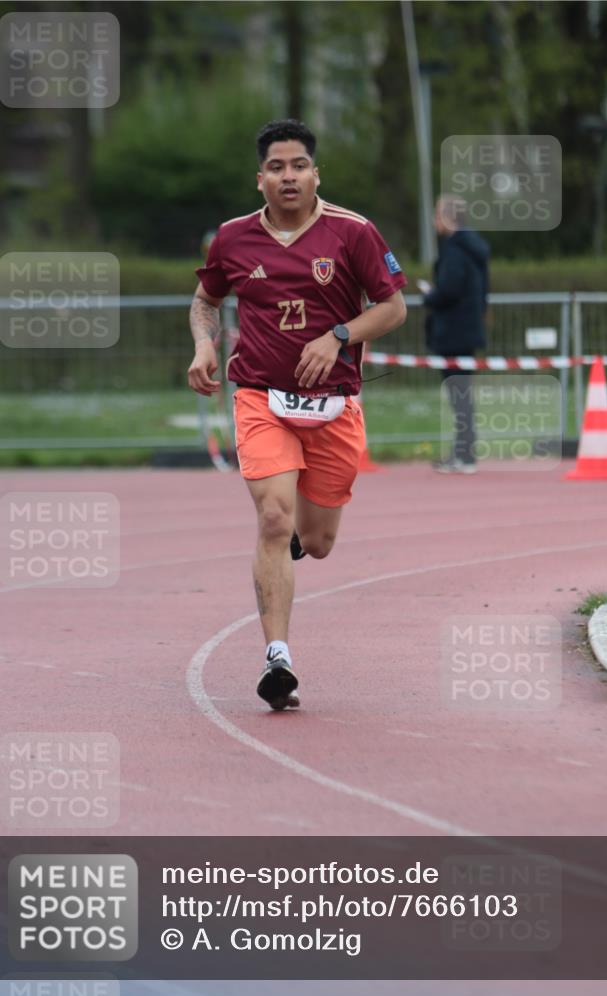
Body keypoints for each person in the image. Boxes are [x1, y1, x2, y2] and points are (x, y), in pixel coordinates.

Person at [187, 119, 407, 710]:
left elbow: (393, 308)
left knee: (318, 539)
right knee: (274, 519)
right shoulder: (233, 239)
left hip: (334, 406)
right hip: (261, 397)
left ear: (316, 174)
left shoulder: (352, 232)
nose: (289, 176)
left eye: (299, 166)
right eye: (277, 168)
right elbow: (206, 299)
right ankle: (277, 657)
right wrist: (205, 344)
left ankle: (291, 548)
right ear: (259, 179)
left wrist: (339, 335)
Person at [422, 195, 490, 474]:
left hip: (453, 332)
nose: (434, 220)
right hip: (467, 328)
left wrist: (430, 295)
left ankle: (464, 455)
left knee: (459, 396)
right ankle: (464, 452)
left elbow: (450, 290)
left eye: (438, 214)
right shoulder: (473, 248)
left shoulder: (455, 250)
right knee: (462, 395)